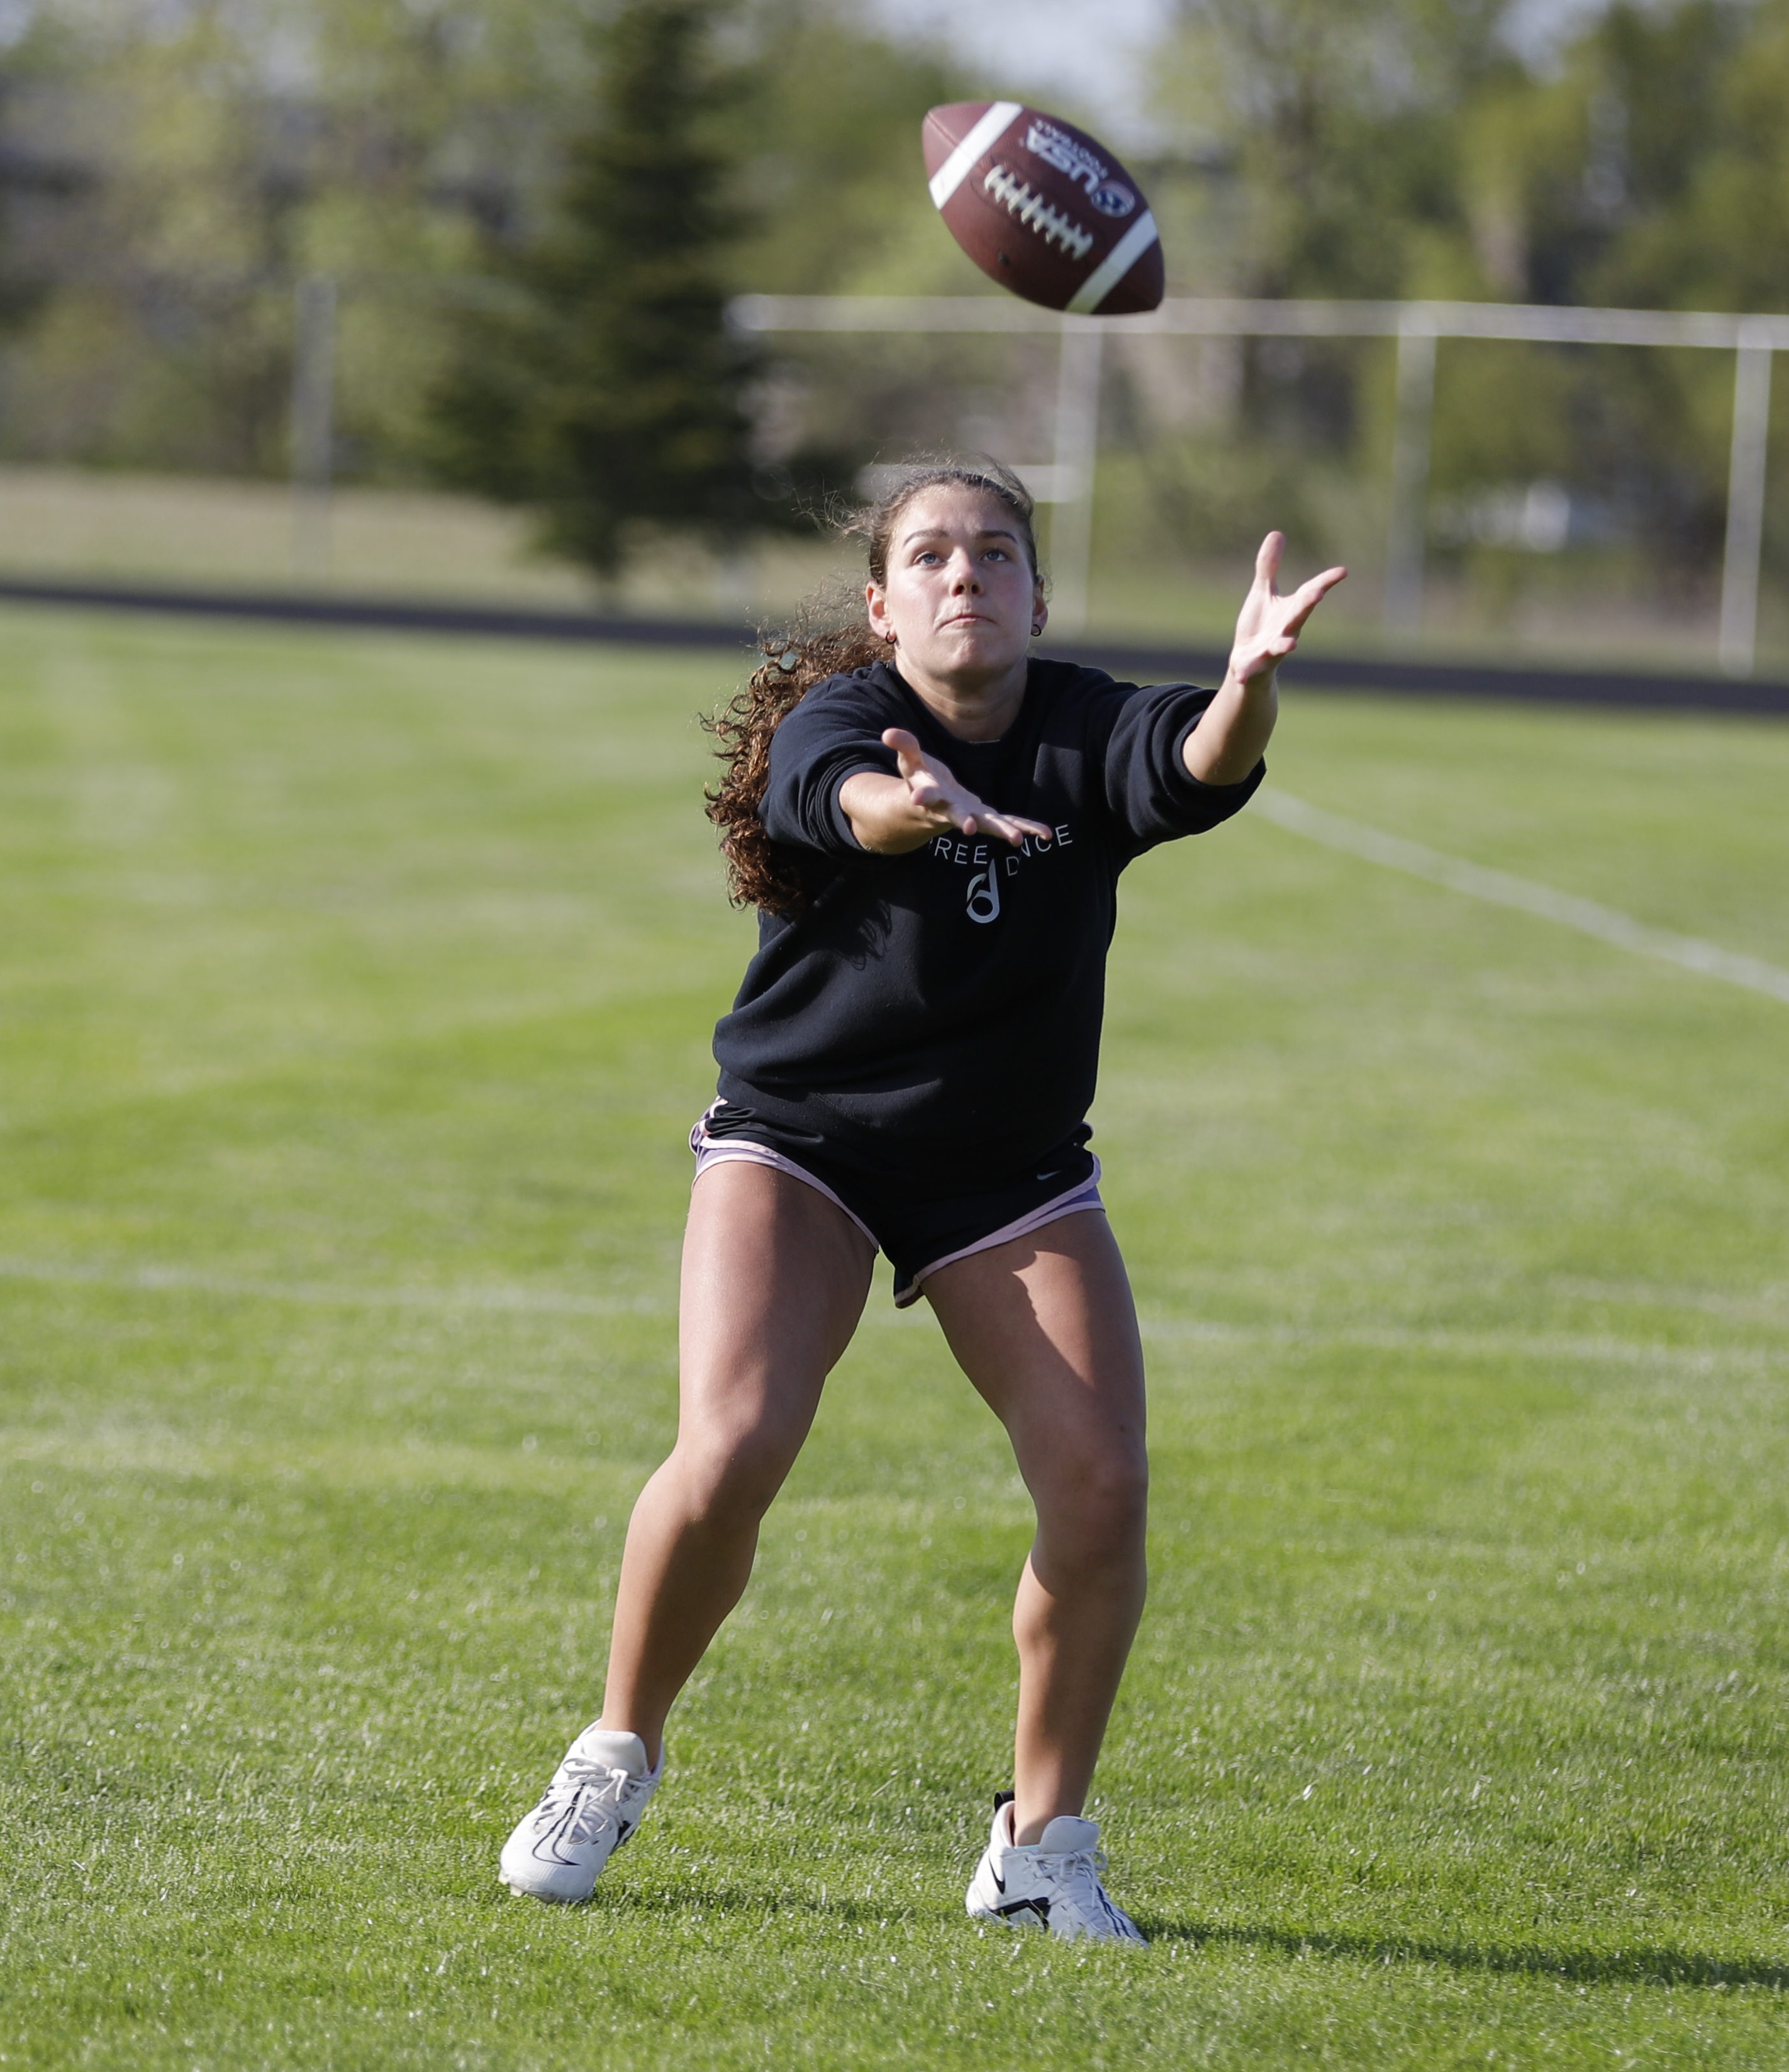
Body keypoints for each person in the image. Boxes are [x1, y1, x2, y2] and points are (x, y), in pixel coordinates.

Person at [498, 462, 1344, 1942]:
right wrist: (919, 801)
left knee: (1102, 1487)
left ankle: (1038, 1844)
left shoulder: (1084, 723)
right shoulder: (841, 722)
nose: (968, 576)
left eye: (997, 554)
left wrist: (1247, 684)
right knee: (738, 1437)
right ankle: (612, 1753)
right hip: (803, 1140)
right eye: (934, 557)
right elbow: (840, 803)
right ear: (884, 603)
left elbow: (1192, 768)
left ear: (1034, 595)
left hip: (1004, 1173)